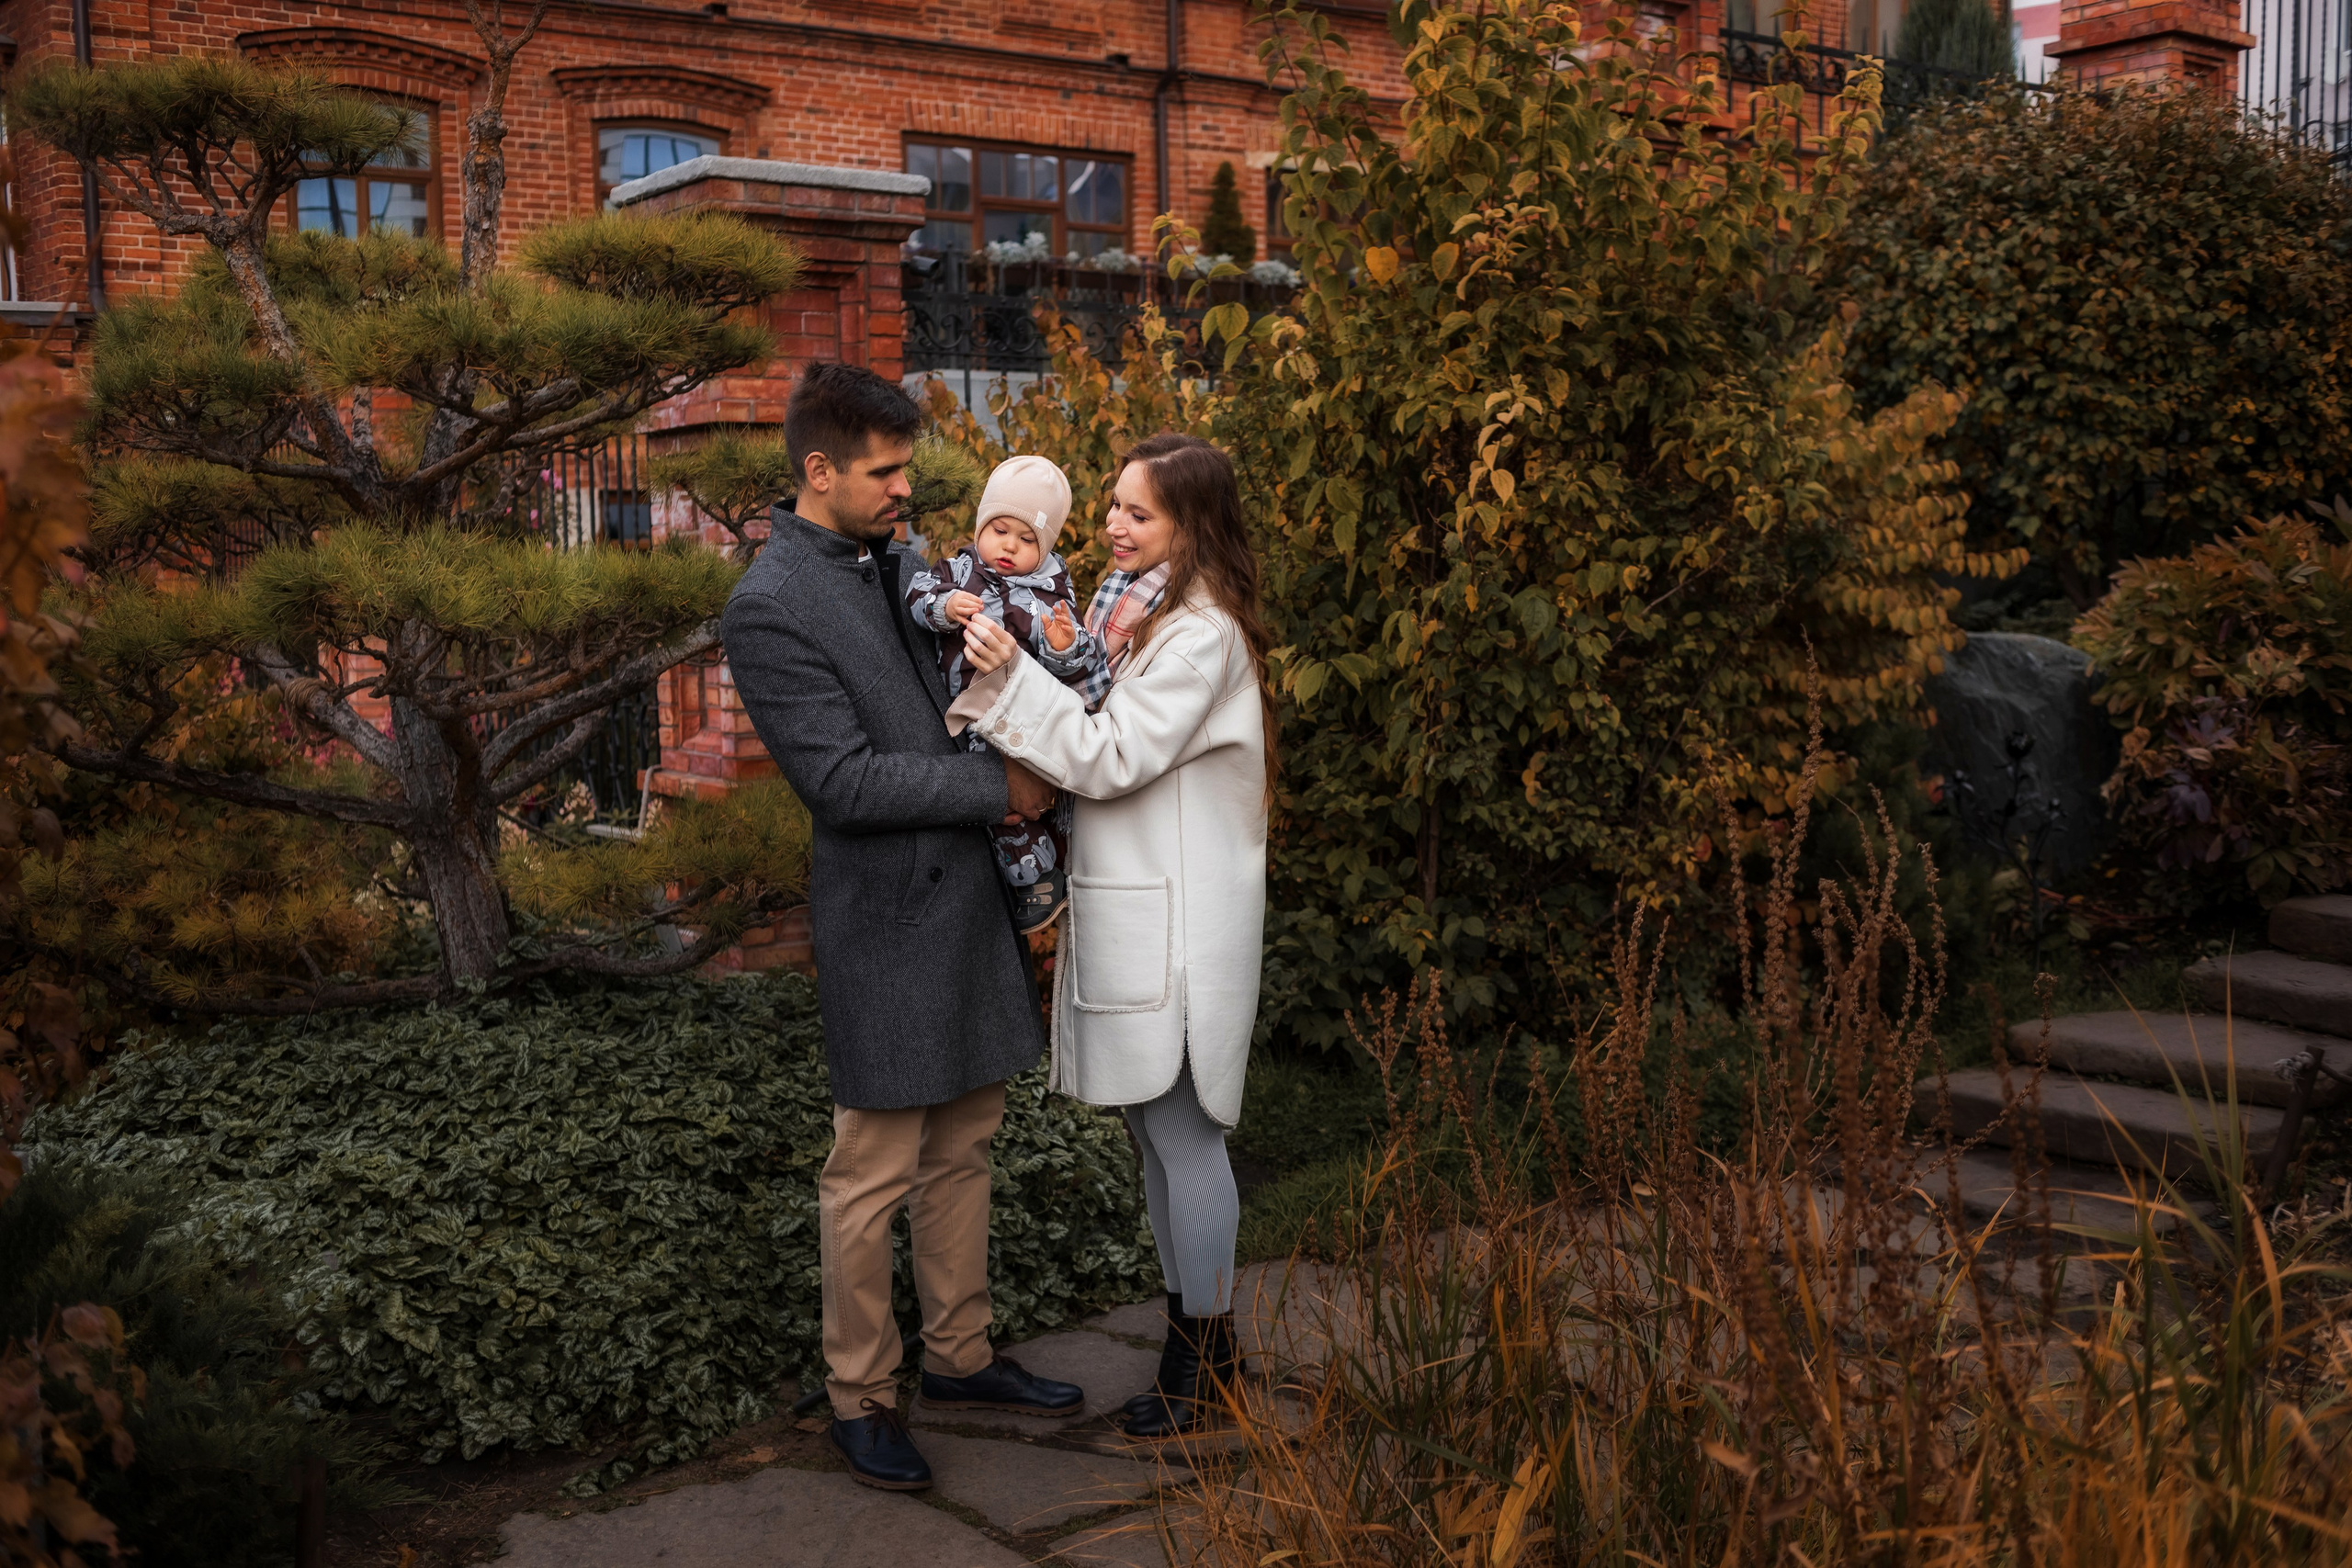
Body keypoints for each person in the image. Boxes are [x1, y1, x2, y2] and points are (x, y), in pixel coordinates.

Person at [719, 363, 1083, 1492]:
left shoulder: (906, 562)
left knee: (965, 1143)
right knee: (869, 1169)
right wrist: (1005, 794)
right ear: (817, 471)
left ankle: (962, 1356)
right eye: (883, 472)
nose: (904, 487)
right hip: (885, 916)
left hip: (968, 898)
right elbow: (842, 783)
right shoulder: (770, 603)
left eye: (905, 467)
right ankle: (862, 1395)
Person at [957, 431, 1272, 1438]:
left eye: (1138, 511)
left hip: (1181, 927)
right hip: (1143, 912)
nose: (1112, 525)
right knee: (1155, 1136)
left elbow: (1108, 754)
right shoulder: (1137, 619)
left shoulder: (1200, 636)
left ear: (1191, 526)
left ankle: (1202, 1361)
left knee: (1185, 1138)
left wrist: (1010, 679)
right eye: (1112, 506)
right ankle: (1206, 1346)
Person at [903, 454, 1107, 934]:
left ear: (1047, 547)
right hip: (958, 712)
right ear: (981, 527)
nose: (1009, 547)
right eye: (999, 530)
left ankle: (1038, 878)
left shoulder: (1051, 596)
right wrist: (945, 605)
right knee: (982, 804)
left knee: (1020, 806)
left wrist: (1063, 646)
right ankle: (1007, 878)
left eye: (1026, 539)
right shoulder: (958, 570)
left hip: (1012, 717)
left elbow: (1081, 661)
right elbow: (916, 594)